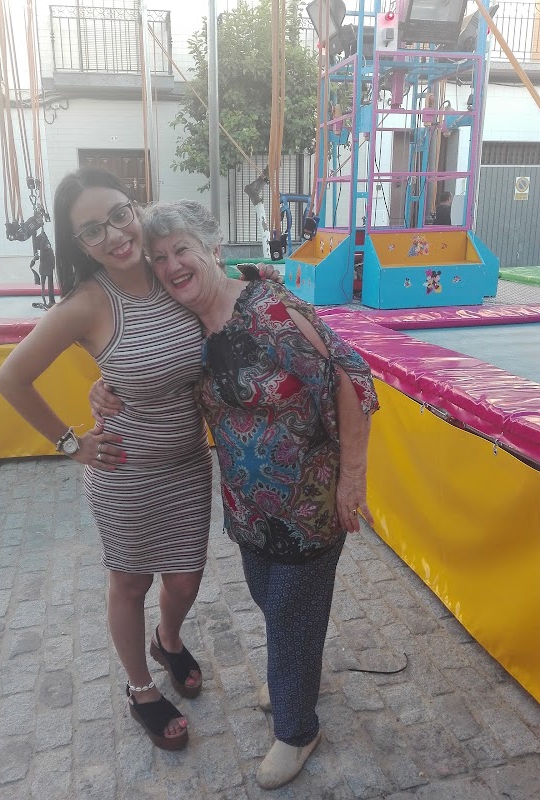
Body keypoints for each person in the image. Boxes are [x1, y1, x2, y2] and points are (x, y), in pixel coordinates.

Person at [92, 199, 379, 789]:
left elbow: (350, 377)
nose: (171, 265)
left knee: (292, 613)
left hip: (307, 503)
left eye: (182, 250)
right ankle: (293, 676)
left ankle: (297, 729)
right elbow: (148, 368)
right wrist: (105, 385)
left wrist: (353, 477)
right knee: (274, 603)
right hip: (248, 507)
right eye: (159, 257)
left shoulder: (270, 310)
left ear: (213, 250)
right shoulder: (188, 326)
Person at [0, 168, 212, 752]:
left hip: (189, 465)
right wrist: (71, 443)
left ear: (136, 208)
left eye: (119, 214)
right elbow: (10, 377)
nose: (115, 235)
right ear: (81, 246)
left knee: (185, 580)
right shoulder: (88, 303)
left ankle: (168, 641)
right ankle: (141, 689)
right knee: (131, 582)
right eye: (93, 230)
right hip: (124, 471)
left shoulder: (172, 269)